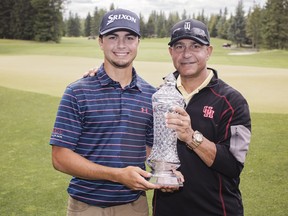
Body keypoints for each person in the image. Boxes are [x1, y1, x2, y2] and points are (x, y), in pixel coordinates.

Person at [49, 8, 171, 216]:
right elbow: (60, 157)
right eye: (113, 37)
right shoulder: (77, 91)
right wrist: (116, 175)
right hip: (86, 207)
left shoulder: (151, 95)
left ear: (138, 43)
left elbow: (150, 149)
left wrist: (165, 172)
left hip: (134, 206)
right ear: (100, 41)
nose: (121, 45)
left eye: (129, 37)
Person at [152, 19, 251, 216]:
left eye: (195, 46)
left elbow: (233, 166)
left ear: (209, 51)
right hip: (166, 209)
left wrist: (190, 136)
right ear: (171, 52)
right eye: (179, 46)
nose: (186, 54)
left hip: (215, 209)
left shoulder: (232, 101)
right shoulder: (160, 95)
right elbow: (150, 145)